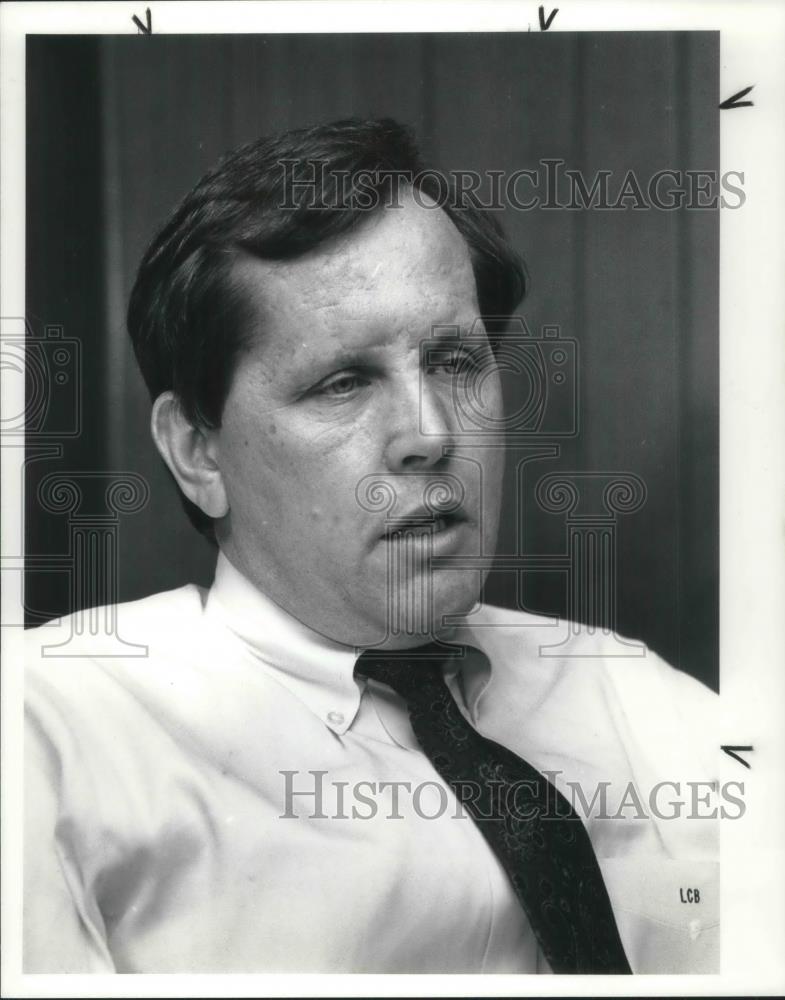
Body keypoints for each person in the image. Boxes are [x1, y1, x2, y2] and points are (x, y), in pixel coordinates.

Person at [24, 118, 719, 974]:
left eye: (456, 362)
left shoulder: (636, 701)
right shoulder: (48, 730)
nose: (427, 435)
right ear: (197, 451)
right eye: (342, 382)